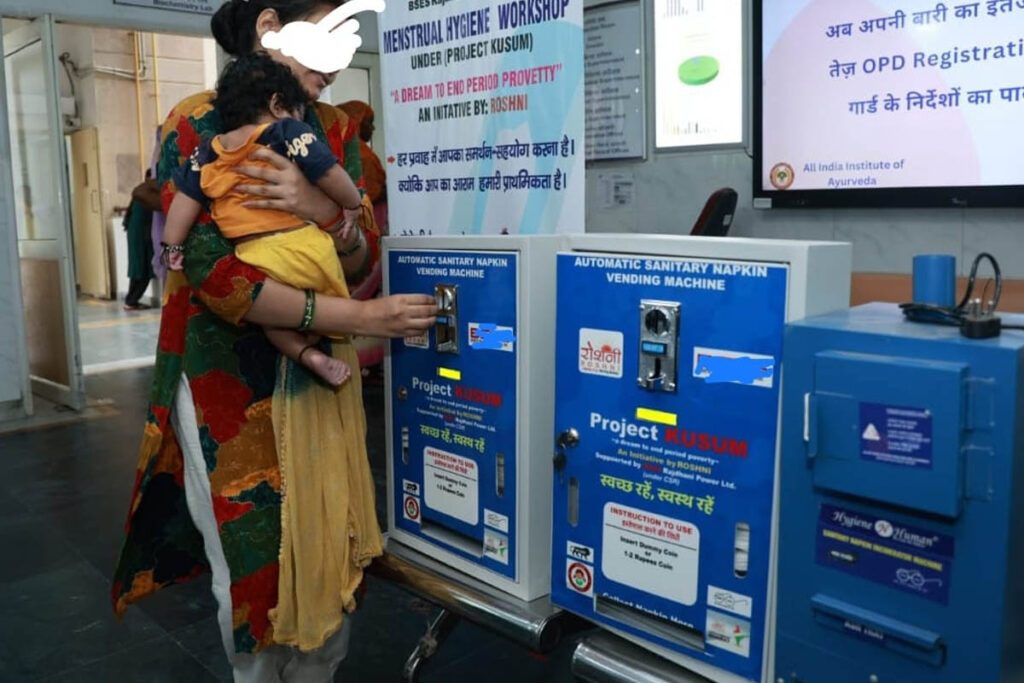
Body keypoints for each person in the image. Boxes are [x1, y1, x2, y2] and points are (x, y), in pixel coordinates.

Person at [110, 2, 437, 681]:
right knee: (254, 573)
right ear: (270, 27)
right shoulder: (199, 125)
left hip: (319, 380)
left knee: (329, 547)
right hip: (225, 384)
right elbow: (211, 273)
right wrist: (363, 320)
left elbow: (359, 256)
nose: (343, 55)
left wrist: (322, 212)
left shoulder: (338, 131)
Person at [163, 53, 365, 387]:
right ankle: (333, 333)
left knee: (274, 319)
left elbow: (184, 202)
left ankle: (307, 355)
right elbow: (328, 172)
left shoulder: (208, 151)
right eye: (295, 109)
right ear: (276, 103)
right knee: (329, 302)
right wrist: (351, 203)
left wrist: (172, 245)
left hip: (251, 257)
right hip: (301, 247)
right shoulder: (286, 131)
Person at [123, 171, 160, 310]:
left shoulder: (141, 191)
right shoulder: (149, 193)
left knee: (138, 269)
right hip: (143, 237)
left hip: (136, 236)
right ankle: (131, 301)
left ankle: (130, 300)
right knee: (143, 269)